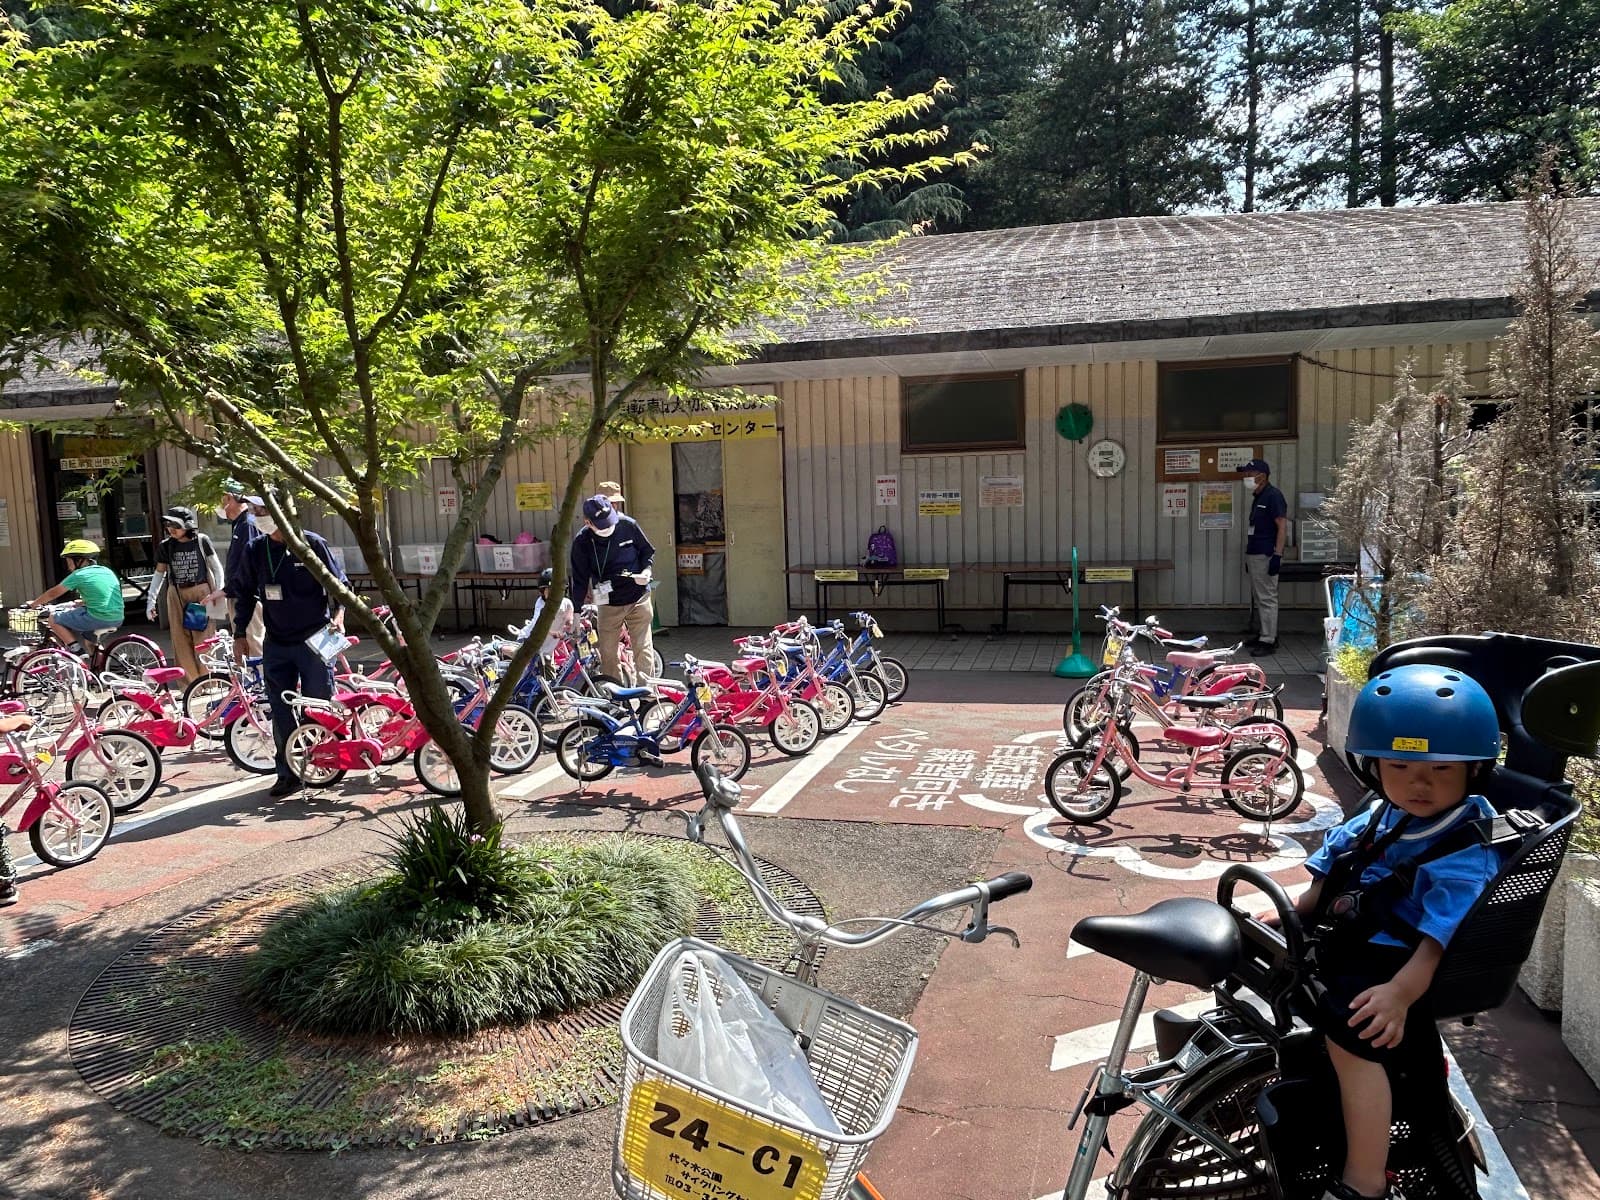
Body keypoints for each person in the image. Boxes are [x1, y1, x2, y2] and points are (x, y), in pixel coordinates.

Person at [1286, 664, 1505, 1200]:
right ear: (1374, 766)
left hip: (1399, 959)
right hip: (1357, 933)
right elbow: (1340, 853)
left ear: (1474, 771)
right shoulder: (1387, 811)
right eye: (1399, 766)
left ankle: (1363, 1181)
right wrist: (1297, 909)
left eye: (1442, 770)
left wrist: (1400, 995)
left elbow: (1440, 936)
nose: (1419, 783)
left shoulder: (1466, 841)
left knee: (1354, 1035)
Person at [230, 506, 348, 799]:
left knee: (317, 705)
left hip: (315, 639)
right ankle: (287, 773)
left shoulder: (312, 543)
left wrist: (340, 614)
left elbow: (341, 585)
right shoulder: (255, 549)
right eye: (255, 510)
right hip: (277, 641)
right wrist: (239, 633)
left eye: (262, 509)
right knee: (280, 708)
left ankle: (322, 762)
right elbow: (243, 592)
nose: (257, 515)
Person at [568, 492, 655, 684]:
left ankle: (647, 697)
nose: (608, 527)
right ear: (588, 522)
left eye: (610, 521)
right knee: (607, 651)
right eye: (602, 525)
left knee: (642, 648)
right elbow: (580, 580)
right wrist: (575, 612)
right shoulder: (582, 543)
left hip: (638, 597)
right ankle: (614, 695)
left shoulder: (628, 525)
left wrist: (647, 571)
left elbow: (647, 551)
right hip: (608, 602)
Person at [147, 505, 224, 681]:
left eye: (175, 525)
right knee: (180, 639)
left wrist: (218, 592)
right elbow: (159, 574)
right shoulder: (166, 546)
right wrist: (150, 602)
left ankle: (210, 680)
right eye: (168, 525)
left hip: (201, 592)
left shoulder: (201, 540)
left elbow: (216, 568)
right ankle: (191, 683)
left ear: (187, 525)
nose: (171, 529)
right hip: (176, 593)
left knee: (204, 637)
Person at [26, 539, 125, 653]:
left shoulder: (79, 574)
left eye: (69, 561)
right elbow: (104, 595)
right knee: (90, 642)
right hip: (117, 617)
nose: (68, 566)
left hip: (98, 617)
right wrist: (83, 602)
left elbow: (53, 593)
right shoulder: (106, 571)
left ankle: (76, 650)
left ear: (79, 560)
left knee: (54, 619)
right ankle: (99, 668)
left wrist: (34, 604)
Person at [1237, 458, 1288, 658]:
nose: (1246, 478)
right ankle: (1263, 634)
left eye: (1250, 474)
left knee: (1267, 598)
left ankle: (1269, 639)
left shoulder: (1273, 496)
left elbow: (1282, 526)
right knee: (1260, 597)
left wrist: (1277, 554)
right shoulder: (1258, 496)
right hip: (1255, 553)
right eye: (1246, 474)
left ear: (1262, 476)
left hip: (1266, 554)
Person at [210, 481, 266, 656]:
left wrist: (226, 590)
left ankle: (262, 683)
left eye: (222, 498)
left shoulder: (247, 525)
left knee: (253, 645)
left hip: (247, 597)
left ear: (229, 498)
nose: (220, 505)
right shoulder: (239, 525)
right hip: (238, 595)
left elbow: (247, 566)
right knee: (244, 647)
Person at [510, 567, 575, 657]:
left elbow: (570, 620)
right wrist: (554, 633)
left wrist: (573, 625)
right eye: (549, 590)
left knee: (550, 670)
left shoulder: (567, 603)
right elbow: (540, 626)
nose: (554, 594)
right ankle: (498, 647)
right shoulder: (541, 605)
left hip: (547, 649)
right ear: (542, 592)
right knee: (522, 662)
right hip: (529, 641)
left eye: (557, 590)